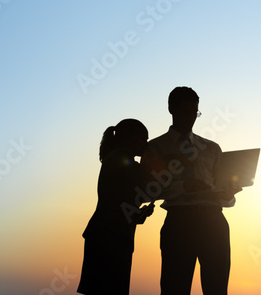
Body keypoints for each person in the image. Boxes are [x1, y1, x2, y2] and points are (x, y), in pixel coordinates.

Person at [141, 87, 240, 295]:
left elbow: (222, 193)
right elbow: (147, 192)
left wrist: (228, 194)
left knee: (217, 290)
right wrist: (184, 186)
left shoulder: (212, 148)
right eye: (185, 112)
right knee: (175, 289)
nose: (191, 119)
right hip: (180, 223)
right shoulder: (155, 148)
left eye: (194, 113)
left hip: (214, 223)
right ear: (171, 110)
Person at [78, 119, 155, 295]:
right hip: (111, 237)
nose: (145, 144)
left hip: (106, 234)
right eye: (142, 139)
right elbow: (143, 188)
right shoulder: (123, 160)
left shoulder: (114, 159)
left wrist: (139, 214)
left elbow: (123, 201)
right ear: (127, 138)